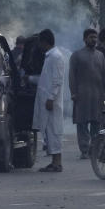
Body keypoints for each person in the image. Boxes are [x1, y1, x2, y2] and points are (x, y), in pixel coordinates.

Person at [69, 28, 105, 159]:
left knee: (96, 122)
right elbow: (72, 76)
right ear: (85, 39)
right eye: (91, 37)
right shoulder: (77, 55)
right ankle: (84, 149)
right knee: (82, 123)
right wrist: (73, 92)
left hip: (98, 95)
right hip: (82, 94)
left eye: (95, 37)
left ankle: (94, 148)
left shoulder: (100, 55)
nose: (93, 39)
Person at [33, 29, 66, 172]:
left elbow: (57, 80)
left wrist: (51, 98)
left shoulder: (56, 57)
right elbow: (45, 79)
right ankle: (54, 161)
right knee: (49, 131)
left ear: (44, 42)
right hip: (47, 101)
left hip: (52, 102)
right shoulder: (50, 56)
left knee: (54, 131)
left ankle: (57, 162)